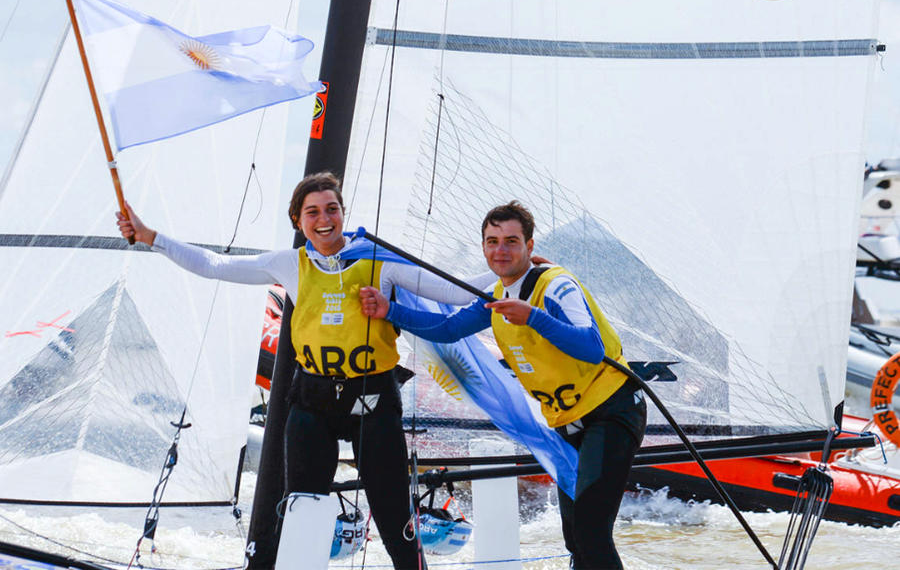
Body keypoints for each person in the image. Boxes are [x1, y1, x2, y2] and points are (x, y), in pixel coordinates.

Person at [116, 171, 494, 570]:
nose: (323, 218)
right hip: (312, 404)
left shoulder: (379, 262)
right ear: (298, 221)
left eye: (332, 209)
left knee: (395, 517)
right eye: (312, 212)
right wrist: (150, 237)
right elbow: (214, 265)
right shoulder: (289, 264)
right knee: (301, 514)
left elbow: (453, 290)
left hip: (373, 401)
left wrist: (514, 272)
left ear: (343, 213)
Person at [359, 201, 647, 570]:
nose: (501, 250)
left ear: (529, 245)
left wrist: (534, 318)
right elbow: (448, 330)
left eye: (512, 241)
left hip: (612, 411)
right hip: (567, 423)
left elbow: (591, 347)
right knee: (576, 535)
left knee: (592, 530)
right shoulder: (496, 294)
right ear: (483, 248)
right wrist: (390, 311)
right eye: (492, 241)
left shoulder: (556, 285)